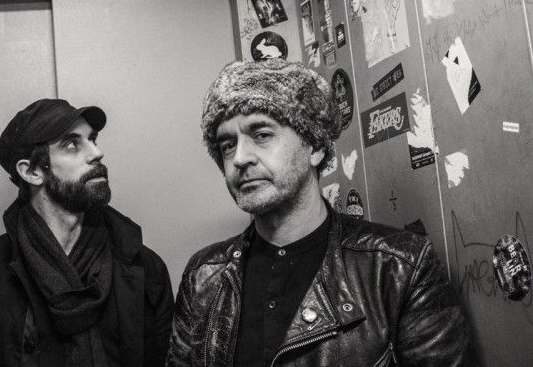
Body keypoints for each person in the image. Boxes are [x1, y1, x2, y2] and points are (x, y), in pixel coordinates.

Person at [166, 59, 475, 366]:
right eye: (227, 145)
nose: (239, 158)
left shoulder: (399, 268)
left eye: (261, 135)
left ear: (314, 147)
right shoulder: (203, 276)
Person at [0, 98, 174, 367]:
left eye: (92, 139)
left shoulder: (144, 268)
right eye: (72, 144)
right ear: (32, 172)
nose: (96, 153)